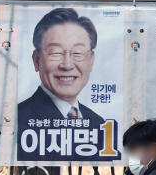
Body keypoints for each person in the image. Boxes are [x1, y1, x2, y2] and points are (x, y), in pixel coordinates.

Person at [17, 8, 105, 160]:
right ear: (36, 60)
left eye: (78, 53)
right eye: (56, 52)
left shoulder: (99, 123)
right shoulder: (18, 119)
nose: (67, 65)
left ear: (91, 61)